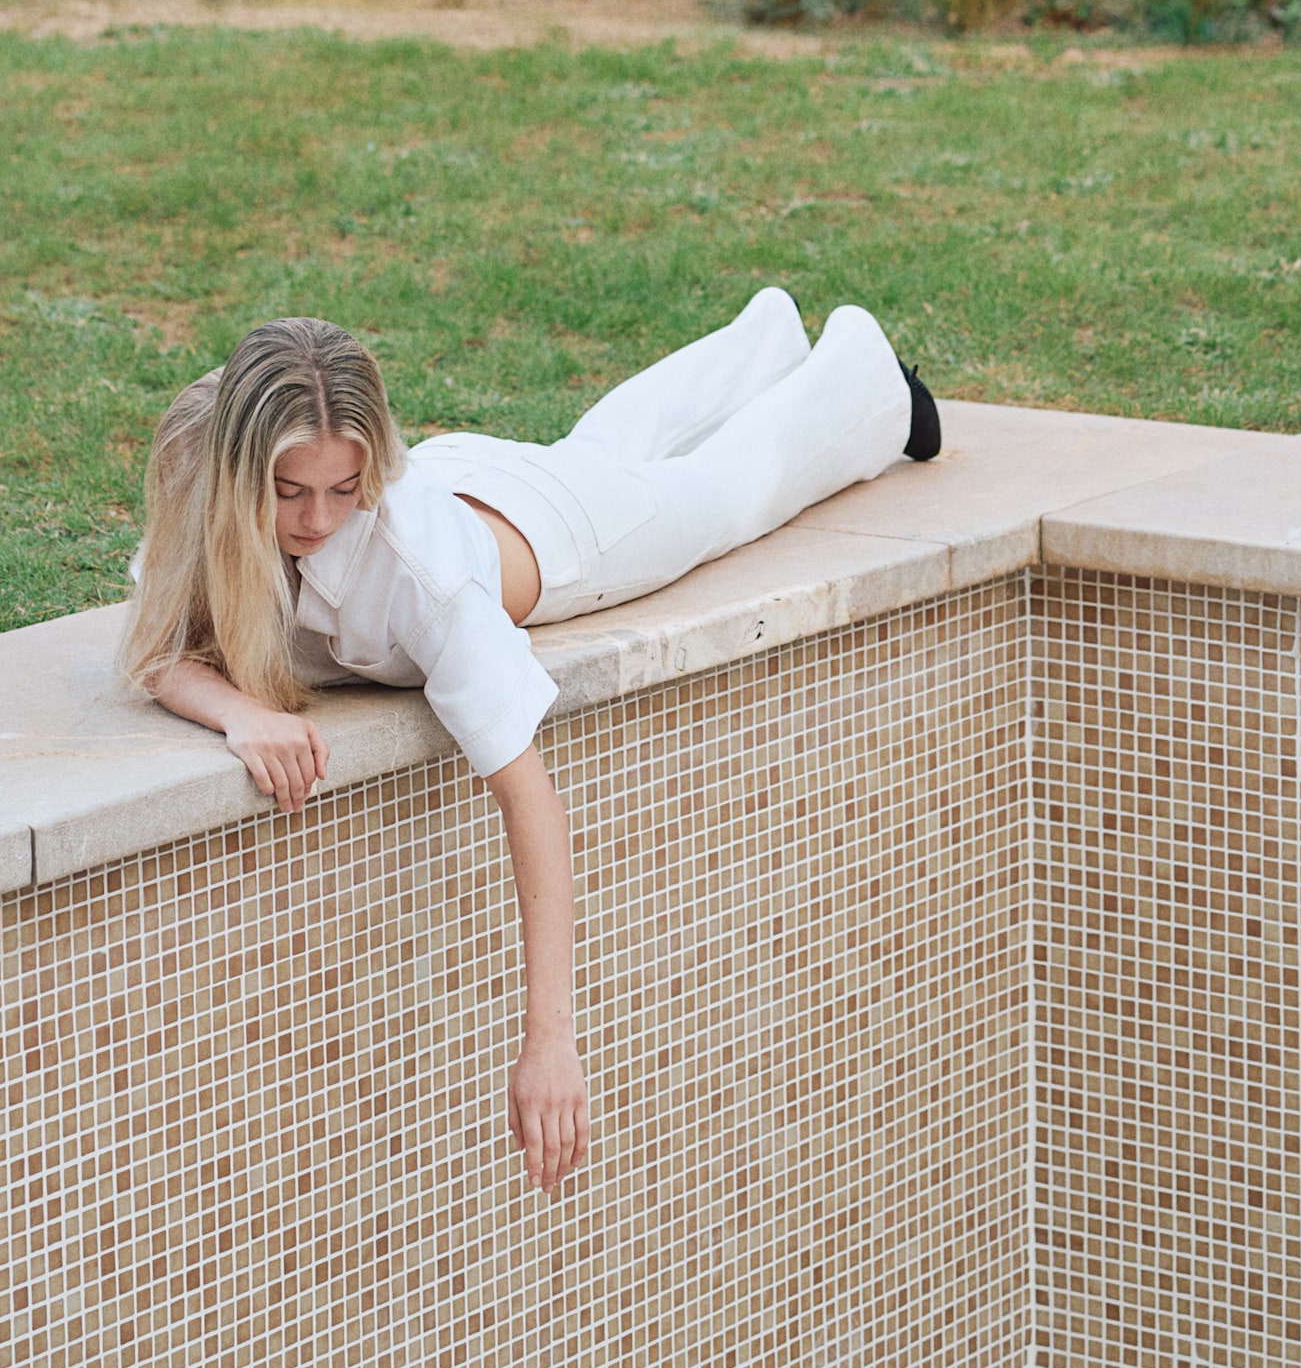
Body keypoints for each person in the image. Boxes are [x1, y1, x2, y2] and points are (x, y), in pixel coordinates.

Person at [121, 286, 940, 1197]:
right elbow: (156, 642)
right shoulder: (205, 463)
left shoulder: (425, 585)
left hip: (574, 540)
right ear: (244, 466)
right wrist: (240, 713)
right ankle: (763, 339)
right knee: (596, 450)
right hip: (472, 483)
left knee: (722, 494)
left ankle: (867, 377)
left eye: (345, 490)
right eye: (291, 493)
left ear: (372, 467)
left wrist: (549, 1042)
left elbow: (532, 802)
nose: (317, 519)